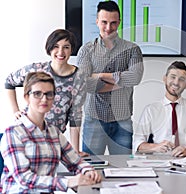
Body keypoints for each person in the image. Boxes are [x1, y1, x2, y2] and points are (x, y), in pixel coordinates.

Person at [0, 72, 101, 193]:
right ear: (27, 97)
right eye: (37, 94)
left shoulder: (53, 132)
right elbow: (24, 179)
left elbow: (75, 161)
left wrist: (88, 171)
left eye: (49, 94)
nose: (44, 99)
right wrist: (69, 182)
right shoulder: (13, 132)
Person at [5, 29, 88, 157]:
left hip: (54, 137)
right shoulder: (36, 70)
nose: (61, 52)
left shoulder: (79, 77)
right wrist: (15, 110)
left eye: (66, 47)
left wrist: (75, 150)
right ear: (49, 48)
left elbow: (75, 116)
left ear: (71, 50)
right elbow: (9, 82)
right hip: (28, 134)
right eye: (56, 47)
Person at [76, 1, 144, 155]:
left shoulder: (133, 49)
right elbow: (84, 83)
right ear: (97, 21)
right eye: (104, 22)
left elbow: (135, 77)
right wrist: (120, 82)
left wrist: (99, 76)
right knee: (91, 170)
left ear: (119, 22)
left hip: (123, 121)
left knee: (123, 171)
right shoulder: (86, 50)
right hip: (93, 120)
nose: (108, 28)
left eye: (113, 23)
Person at [133, 61, 186, 157]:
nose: (176, 82)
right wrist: (155, 147)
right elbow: (137, 143)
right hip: (158, 161)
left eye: (181, 79)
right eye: (173, 77)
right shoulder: (151, 110)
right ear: (165, 78)